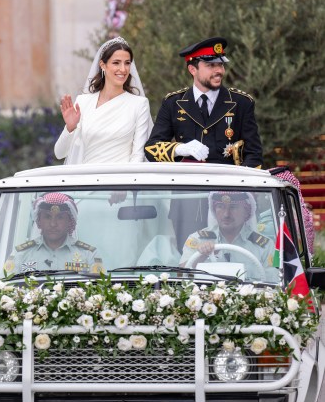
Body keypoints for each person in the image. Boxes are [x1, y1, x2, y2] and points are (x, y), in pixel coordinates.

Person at [144, 37, 263, 167]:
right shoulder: (173, 103)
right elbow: (151, 149)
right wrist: (180, 149)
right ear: (192, 70)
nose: (219, 71)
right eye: (211, 65)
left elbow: (254, 154)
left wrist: (239, 184)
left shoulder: (241, 103)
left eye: (221, 64)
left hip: (227, 182)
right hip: (189, 182)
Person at [54, 36, 152, 164]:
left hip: (121, 180)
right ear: (102, 65)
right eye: (116, 62)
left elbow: (138, 156)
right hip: (85, 179)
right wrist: (70, 128)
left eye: (127, 63)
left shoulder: (140, 104)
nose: (123, 69)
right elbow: (59, 153)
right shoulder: (83, 102)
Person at [180, 191, 277, 282]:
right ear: (214, 210)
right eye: (220, 206)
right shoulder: (197, 239)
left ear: (247, 211)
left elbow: (273, 282)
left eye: (233, 207)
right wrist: (201, 255)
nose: (226, 214)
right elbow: (180, 275)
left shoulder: (265, 245)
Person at [4, 192, 103, 275]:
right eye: (47, 217)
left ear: (69, 221)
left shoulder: (88, 254)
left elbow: (99, 291)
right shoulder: (21, 254)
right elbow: (5, 288)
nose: (53, 224)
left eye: (60, 217)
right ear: (39, 220)